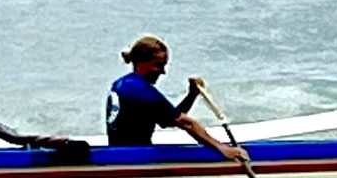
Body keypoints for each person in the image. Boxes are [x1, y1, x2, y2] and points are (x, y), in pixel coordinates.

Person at [105, 36, 251, 165]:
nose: (163, 71)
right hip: (134, 160)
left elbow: (169, 119)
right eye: (158, 65)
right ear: (141, 62)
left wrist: (192, 95)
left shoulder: (124, 84)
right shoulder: (140, 90)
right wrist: (223, 149)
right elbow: (186, 123)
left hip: (121, 155)